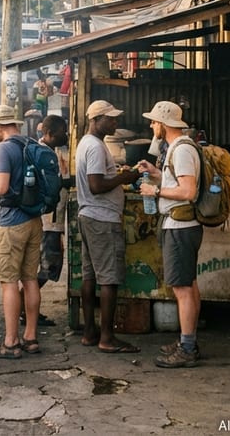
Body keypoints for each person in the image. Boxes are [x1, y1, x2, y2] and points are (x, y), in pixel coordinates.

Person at [136, 101, 202, 368]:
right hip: (179, 225)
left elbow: (188, 192)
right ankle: (188, 341)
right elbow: (178, 182)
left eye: (154, 122)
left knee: (182, 288)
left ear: (163, 124)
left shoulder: (183, 150)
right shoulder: (177, 148)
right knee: (188, 285)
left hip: (180, 226)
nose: (151, 126)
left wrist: (156, 192)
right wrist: (155, 174)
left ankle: (187, 349)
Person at [75, 101, 143, 354]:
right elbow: (96, 185)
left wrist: (117, 176)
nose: (115, 123)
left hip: (90, 216)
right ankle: (107, 337)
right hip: (101, 218)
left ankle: (90, 332)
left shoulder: (89, 143)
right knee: (109, 279)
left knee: (91, 275)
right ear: (96, 120)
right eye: (111, 119)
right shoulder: (94, 146)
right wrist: (124, 178)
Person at [0, 104, 43, 359]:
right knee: (30, 280)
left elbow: (2, 187)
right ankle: (31, 337)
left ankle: (11, 342)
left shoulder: (4, 148)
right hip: (33, 220)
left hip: (12, 222)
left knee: (8, 283)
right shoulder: (30, 143)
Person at [23, 114, 70, 328]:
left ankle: (27, 309)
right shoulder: (43, 155)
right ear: (49, 133)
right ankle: (25, 309)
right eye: (62, 132)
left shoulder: (50, 152)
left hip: (52, 221)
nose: (66, 135)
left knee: (47, 266)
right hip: (47, 221)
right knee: (46, 267)